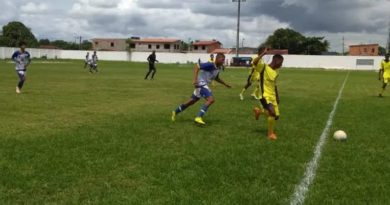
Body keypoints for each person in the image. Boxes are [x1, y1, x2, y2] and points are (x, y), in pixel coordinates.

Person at [171, 53, 231, 125]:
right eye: (222, 60)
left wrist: (225, 84)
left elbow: (216, 78)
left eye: (223, 60)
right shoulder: (210, 64)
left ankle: (175, 112)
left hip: (203, 84)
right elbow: (197, 66)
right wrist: (195, 80)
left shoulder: (218, 68)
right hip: (201, 83)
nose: (223, 62)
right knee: (211, 100)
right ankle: (198, 117)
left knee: (192, 101)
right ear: (217, 59)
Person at [253, 54, 284, 140]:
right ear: (276, 61)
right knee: (272, 113)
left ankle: (259, 111)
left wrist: (277, 96)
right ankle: (270, 134)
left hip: (273, 96)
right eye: (281, 63)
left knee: (276, 117)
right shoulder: (263, 68)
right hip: (264, 95)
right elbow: (254, 62)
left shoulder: (276, 72)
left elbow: (275, 85)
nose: (281, 65)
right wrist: (263, 53)